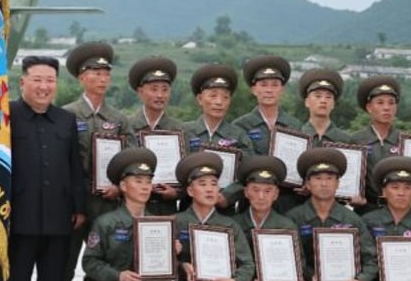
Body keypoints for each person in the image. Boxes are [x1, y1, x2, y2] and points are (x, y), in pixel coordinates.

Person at [0, 56, 85, 281]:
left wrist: (79, 207)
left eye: (50, 81)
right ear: (22, 82)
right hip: (17, 214)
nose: (44, 87)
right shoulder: (6, 117)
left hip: (59, 215)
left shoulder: (65, 120)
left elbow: (75, 167)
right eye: (37, 80)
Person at [61, 42, 131, 281]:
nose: (101, 78)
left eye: (105, 73)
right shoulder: (65, 115)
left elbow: (128, 161)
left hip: (107, 204)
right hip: (74, 205)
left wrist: (119, 186)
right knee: (63, 271)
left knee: (99, 270)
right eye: (94, 72)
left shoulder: (119, 119)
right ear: (81, 77)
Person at [82, 147, 178, 281]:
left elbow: (164, 268)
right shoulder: (105, 223)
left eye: (148, 181)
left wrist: (173, 253)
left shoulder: (159, 224)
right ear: (123, 186)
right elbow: (89, 262)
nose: (145, 186)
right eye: (138, 181)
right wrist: (118, 275)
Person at [283, 148, 378, 281]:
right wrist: (308, 277)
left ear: (338, 184)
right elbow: (290, 257)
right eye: (317, 178)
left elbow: (371, 258)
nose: (324, 183)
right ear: (307, 184)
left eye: (330, 178)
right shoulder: (294, 218)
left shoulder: (351, 219)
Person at [165, 153, 254, 281]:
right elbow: (157, 263)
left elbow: (248, 265)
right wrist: (179, 265)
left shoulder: (230, 225)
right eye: (202, 184)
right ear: (189, 191)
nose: (209, 189)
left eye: (214, 184)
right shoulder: (175, 222)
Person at [233, 55, 303, 213]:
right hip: (251, 202)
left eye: (275, 85)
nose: (269, 90)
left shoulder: (296, 126)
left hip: (288, 201)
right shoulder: (240, 126)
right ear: (254, 89)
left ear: (282, 89)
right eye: (263, 85)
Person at [182, 64, 253, 212]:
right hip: (188, 208)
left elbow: (248, 172)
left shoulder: (239, 135)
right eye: (213, 95)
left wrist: (228, 196)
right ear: (200, 99)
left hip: (226, 213)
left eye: (225, 97)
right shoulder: (184, 132)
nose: (219, 102)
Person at [128, 56, 184, 216]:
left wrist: (177, 193)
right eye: (154, 89)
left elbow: (188, 172)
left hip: (167, 209)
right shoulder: (127, 126)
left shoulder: (180, 130)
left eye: (165, 89)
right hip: (133, 209)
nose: (160, 95)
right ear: (140, 92)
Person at [352, 76, 402, 216]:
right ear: (369, 107)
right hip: (366, 210)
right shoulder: (355, 140)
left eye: (391, 103)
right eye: (380, 103)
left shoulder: (406, 142)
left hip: (400, 212)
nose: (386, 108)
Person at [298, 68, 354, 147]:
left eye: (328, 97)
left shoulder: (346, 141)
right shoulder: (297, 136)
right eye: (318, 96)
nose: (323, 101)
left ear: (333, 104)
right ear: (307, 102)